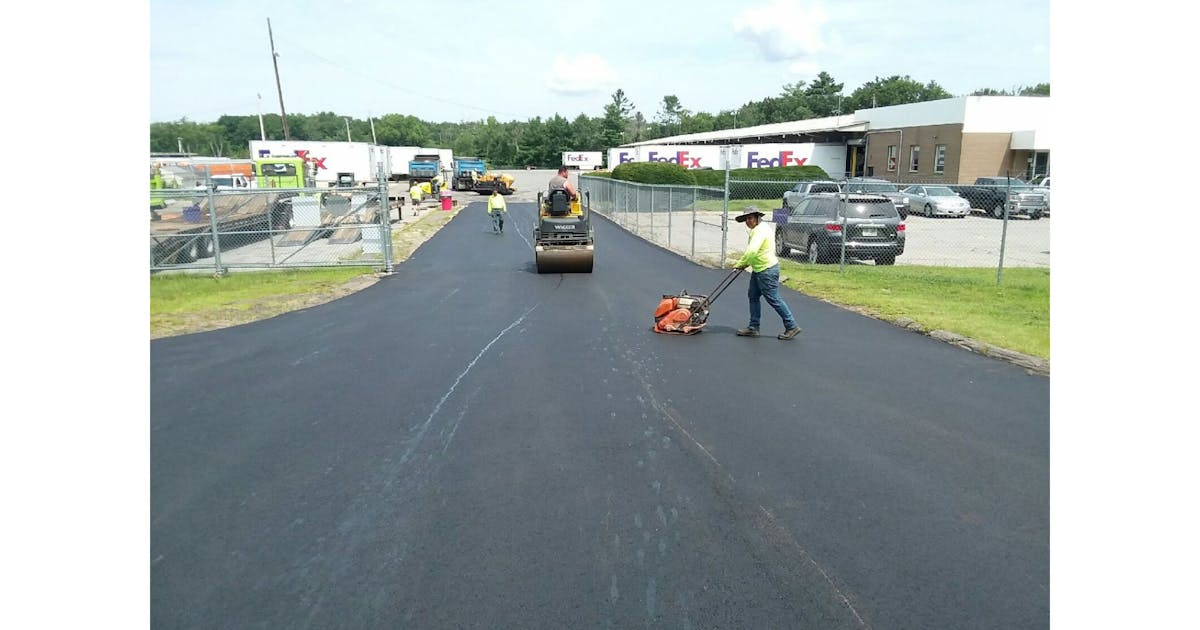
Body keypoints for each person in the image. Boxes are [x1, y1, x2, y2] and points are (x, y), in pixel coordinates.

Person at [730, 208, 802, 340]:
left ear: (757, 218)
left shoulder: (759, 231)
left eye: (750, 218)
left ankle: (791, 325)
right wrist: (746, 263)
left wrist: (740, 264)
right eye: (746, 219)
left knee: (773, 298)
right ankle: (753, 327)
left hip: (767, 270)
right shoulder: (760, 228)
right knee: (753, 295)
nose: (748, 221)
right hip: (759, 269)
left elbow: (751, 252)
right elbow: (754, 254)